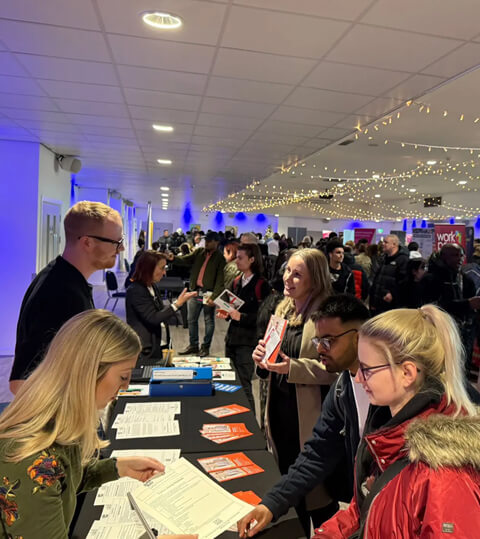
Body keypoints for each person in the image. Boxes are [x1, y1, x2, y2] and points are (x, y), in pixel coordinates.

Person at [0, 309, 197, 539]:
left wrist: (116, 467)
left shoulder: (58, 425)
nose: (125, 388)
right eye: (123, 377)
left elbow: (66, 481)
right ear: (89, 372)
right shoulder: (29, 457)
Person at [313, 305, 480, 538]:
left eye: (367, 369)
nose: (359, 378)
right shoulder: (386, 431)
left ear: (407, 373)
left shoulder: (444, 475)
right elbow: (366, 508)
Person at [238, 295, 370, 538]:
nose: (320, 349)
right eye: (318, 340)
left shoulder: (389, 390)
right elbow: (317, 452)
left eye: (329, 341)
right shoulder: (343, 387)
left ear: (359, 335)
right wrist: (271, 504)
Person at [252, 249, 337, 535]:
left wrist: (293, 368)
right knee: (290, 487)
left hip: (310, 416)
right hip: (280, 412)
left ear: (316, 278)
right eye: (287, 270)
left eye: (297, 274)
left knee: (318, 496)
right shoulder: (283, 308)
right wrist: (261, 358)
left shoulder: (329, 314)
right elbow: (273, 356)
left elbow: (336, 370)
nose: (288, 278)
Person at [9, 201, 125, 395]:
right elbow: (21, 381)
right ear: (87, 242)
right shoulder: (59, 292)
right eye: (116, 242)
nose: (120, 249)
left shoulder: (67, 280)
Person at [218, 244, 270, 410]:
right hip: (232, 338)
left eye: (240, 258)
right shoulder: (236, 281)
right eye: (236, 257)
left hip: (248, 341)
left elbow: (265, 317)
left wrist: (242, 317)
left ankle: (250, 423)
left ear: (252, 259)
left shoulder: (262, 285)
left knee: (244, 384)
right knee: (230, 381)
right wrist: (226, 313)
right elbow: (230, 308)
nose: (236, 261)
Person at [126, 251, 197, 360]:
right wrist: (177, 304)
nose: (164, 272)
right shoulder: (136, 290)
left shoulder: (152, 286)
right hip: (145, 350)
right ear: (149, 268)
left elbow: (160, 311)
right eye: (162, 268)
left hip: (158, 344)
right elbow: (153, 318)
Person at [421, 243, 480, 373]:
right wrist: (467, 304)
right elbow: (430, 308)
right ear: (443, 257)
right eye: (454, 255)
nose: (459, 259)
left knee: (460, 371)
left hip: (463, 335)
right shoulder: (431, 279)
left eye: (461, 255)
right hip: (439, 334)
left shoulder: (465, 280)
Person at [169, 231, 225, 357]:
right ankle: (193, 345)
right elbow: (186, 259)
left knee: (208, 320)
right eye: (206, 240)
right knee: (191, 319)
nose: (207, 243)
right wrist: (174, 259)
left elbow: (220, 280)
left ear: (216, 242)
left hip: (208, 293)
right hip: (195, 291)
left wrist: (214, 296)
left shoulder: (220, 258)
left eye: (210, 241)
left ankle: (205, 347)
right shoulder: (199, 252)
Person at [369, 234, 408, 314]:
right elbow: (377, 280)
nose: (383, 244)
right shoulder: (384, 259)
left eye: (386, 242)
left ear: (394, 245)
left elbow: (404, 282)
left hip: (390, 307)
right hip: (378, 305)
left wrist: (393, 294)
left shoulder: (403, 260)